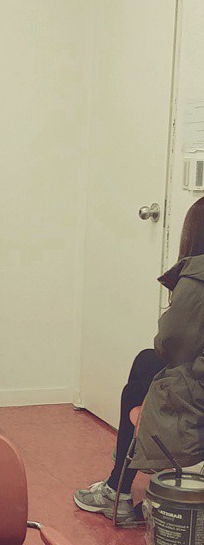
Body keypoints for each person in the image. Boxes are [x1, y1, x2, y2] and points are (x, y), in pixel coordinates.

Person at [74, 196, 204, 526]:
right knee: (146, 364)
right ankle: (121, 474)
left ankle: (118, 484)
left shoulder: (199, 275)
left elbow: (170, 343)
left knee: (141, 379)